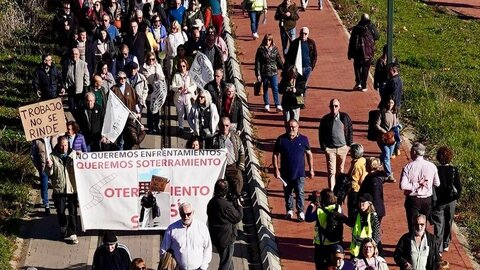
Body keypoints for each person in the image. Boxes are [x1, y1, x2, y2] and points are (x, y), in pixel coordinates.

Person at [273, 119, 314, 221]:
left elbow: (309, 154)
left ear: (298, 127)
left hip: (300, 172)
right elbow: (275, 155)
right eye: (289, 127)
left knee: (300, 192)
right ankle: (289, 210)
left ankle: (300, 212)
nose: (291, 129)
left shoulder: (304, 139)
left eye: (294, 127)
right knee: (288, 192)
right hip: (285, 173)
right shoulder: (281, 139)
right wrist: (276, 169)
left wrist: (311, 169)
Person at [400, 142, 440, 232]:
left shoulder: (408, 167)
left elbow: (403, 185)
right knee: (423, 225)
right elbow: (437, 183)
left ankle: (413, 243)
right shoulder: (432, 166)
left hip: (413, 200)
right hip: (427, 200)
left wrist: (416, 184)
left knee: (412, 225)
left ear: (414, 152)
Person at [45, 136, 79, 244]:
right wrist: (49, 166)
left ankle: (73, 232)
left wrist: (81, 157)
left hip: (72, 189)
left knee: (73, 212)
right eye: (61, 145)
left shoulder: (74, 155)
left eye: (65, 145)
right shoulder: (52, 157)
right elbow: (48, 173)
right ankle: (63, 226)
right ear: (58, 144)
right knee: (60, 211)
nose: (64, 147)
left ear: (68, 144)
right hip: (59, 190)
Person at [160, 202, 212, 270]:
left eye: (188, 214)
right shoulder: (172, 229)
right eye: (183, 214)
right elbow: (164, 249)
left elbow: (208, 249)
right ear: (179, 213)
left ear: (193, 212)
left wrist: (203, 267)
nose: (186, 217)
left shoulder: (202, 228)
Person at [207, 179, 243, 270]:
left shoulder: (212, 202)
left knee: (227, 260)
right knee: (225, 263)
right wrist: (239, 206)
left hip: (216, 236)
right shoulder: (225, 205)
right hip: (226, 238)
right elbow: (237, 217)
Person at [319, 98, 353, 190]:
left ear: (339, 107)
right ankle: (332, 193)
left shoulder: (344, 117)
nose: (334, 108)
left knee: (340, 172)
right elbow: (321, 133)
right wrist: (324, 148)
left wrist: (349, 145)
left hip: (343, 148)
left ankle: (339, 191)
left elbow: (350, 129)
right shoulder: (325, 119)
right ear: (329, 107)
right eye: (332, 106)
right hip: (330, 149)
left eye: (336, 106)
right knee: (331, 172)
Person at [432, 146, 462, 253]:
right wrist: (456, 197)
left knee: (438, 224)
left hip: (439, 201)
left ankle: (438, 248)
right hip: (451, 201)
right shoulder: (454, 170)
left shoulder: (435, 169)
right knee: (449, 222)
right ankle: (446, 243)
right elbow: (458, 187)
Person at [305, 189, 344, 269]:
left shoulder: (320, 211)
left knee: (321, 267)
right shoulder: (338, 208)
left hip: (321, 245)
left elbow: (308, 218)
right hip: (336, 242)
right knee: (335, 266)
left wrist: (312, 204)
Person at [209, 117, 246, 200]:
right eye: (222, 125)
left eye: (226, 125)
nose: (224, 128)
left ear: (230, 126)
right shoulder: (214, 139)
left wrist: (240, 167)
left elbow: (242, 152)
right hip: (219, 167)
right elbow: (209, 153)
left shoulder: (236, 138)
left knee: (238, 180)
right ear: (219, 126)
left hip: (232, 166)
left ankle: (237, 196)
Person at [347, 13, 380, 91]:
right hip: (368, 52)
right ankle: (364, 85)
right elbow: (377, 36)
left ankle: (358, 83)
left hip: (357, 52)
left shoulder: (356, 28)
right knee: (366, 68)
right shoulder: (371, 27)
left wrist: (350, 53)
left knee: (357, 67)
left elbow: (352, 41)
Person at [255, 33, 284, 112]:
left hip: (273, 72)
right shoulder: (260, 49)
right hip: (264, 72)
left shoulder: (275, 49)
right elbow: (257, 63)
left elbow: (279, 60)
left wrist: (284, 69)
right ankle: (267, 104)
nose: (268, 41)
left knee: (275, 88)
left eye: (269, 40)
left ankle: (277, 104)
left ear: (272, 40)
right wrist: (258, 74)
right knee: (265, 88)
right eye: (267, 40)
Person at [347, 193, 381, 259]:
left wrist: (373, 247)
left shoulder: (373, 216)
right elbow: (351, 223)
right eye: (359, 202)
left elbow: (376, 233)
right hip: (356, 249)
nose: (361, 205)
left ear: (369, 203)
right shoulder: (356, 214)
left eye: (363, 203)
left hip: (367, 249)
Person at [285, 27, 317, 95]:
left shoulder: (311, 43)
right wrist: (290, 68)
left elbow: (315, 55)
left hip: (307, 69)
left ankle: (301, 102)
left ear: (308, 34)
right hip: (297, 69)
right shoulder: (294, 43)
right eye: (302, 33)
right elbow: (289, 56)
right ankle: (299, 102)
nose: (303, 35)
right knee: (298, 87)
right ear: (299, 33)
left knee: (303, 86)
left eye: (305, 34)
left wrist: (311, 66)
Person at [171, 59, 197, 135]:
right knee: (180, 114)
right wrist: (178, 88)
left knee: (190, 113)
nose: (182, 68)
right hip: (179, 98)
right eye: (180, 66)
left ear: (186, 66)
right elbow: (172, 86)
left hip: (188, 97)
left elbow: (194, 85)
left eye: (184, 66)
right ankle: (181, 127)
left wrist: (188, 89)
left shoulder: (190, 74)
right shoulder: (176, 75)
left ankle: (192, 128)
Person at [143, 51, 167, 134]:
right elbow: (144, 79)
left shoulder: (158, 66)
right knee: (150, 111)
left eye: (153, 59)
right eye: (149, 60)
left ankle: (157, 125)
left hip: (157, 91)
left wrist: (158, 73)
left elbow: (162, 77)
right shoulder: (144, 67)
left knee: (156, 110)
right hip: (149, 91)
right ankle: (150, 127)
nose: (151, 61)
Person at [376, 97, 398, 183]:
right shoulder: (381, 112)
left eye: (392, 103)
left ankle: (377, 163)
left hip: (391, 138)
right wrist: (384, 131)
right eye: (389, 103)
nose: (390, 105)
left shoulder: (394, 113)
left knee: (387, 156)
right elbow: (376, 124)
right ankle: (388, 174)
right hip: (383, 138)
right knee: (386, 155)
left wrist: (396, 130)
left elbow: (395, 125)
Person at [359, 157, 386, 225]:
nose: (365, 166)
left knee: (373, 232)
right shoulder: (371, 177)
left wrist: (372, 209)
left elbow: (375, 196)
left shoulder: (374, 180)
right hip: (372, 209)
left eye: (366, 164)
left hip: (373, 210)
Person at [63, 48, 90, 112]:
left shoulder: (83, 64)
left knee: (80, 108)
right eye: (73, 54)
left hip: (80, 90)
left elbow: (86, 77)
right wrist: (65, 85)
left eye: (76, 54)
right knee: (71, 108)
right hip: (70, 89)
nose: (74, 55)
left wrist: (85, 87)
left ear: (79, 55)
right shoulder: (66, 63)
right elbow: (64, 75)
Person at [30, 138, 52, 214]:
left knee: (57, 185)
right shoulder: (36, 141)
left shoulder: (55, 137)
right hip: (44, 168)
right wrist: (39, 167)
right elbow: (33, 155)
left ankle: (58, 202)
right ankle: (46, 204)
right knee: (44, 186)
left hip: (55, 167)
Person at [347, 143, 367, 223]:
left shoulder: (357, 165)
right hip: (359, 190)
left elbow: (359, 180)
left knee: (353, 212)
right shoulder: (363, 160)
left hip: (355, 190)